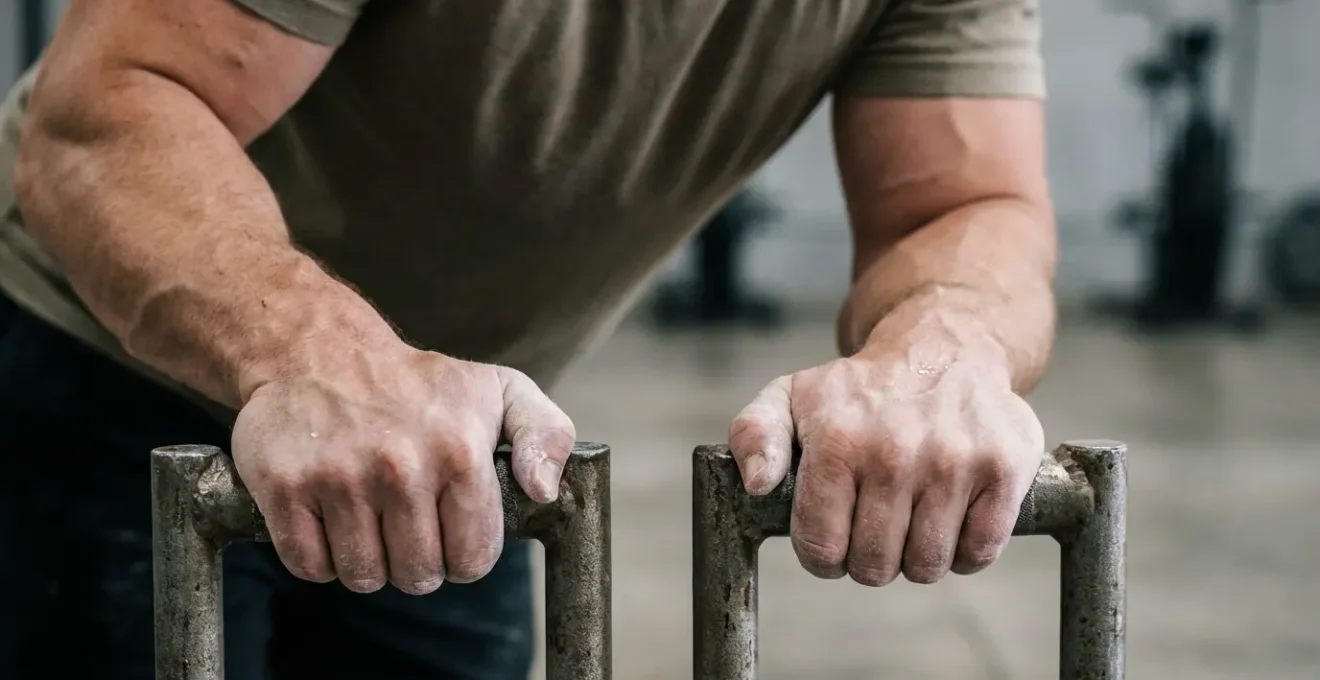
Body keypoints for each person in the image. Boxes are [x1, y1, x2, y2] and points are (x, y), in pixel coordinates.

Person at [0, 0, 1055, 678]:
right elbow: (104, 110)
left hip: (458, 428)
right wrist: (314, 354)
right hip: (105, 368)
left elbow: (966, 204)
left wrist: (947, 343)